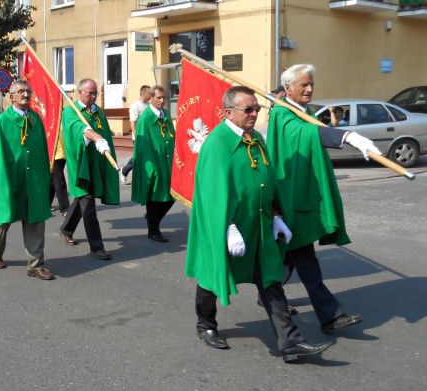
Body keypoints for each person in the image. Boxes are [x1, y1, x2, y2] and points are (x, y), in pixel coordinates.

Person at [185, 86, 331, 361]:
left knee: (271, 279)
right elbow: (212, 192)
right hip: (230, 228)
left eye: (256, 109)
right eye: (248, 110)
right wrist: (226, 228)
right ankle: (205, 324)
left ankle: (290, 342)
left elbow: (268, 180)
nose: (254, 114)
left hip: (260, 226)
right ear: (228, 112)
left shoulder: (255, 139)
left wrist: (276, 215)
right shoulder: (217, 145)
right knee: (212, 277)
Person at [267, 64, 380, 333]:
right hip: (289, 195)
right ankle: (330, 315)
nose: (309, 88)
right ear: (288, 88)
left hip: (302, 192)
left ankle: (269, 293)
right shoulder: (283, 114)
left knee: (290, 255)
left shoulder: (302, 110)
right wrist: (346, 136)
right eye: (303, 84)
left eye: (311, 84)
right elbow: (303, 134)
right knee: (303, 256)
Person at [0, 79, 54, 280]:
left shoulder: (35, 119)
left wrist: (44, 176)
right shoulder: (3, 121)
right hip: (10, 178)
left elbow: (42, 149)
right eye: (21, 91)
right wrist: (1, 183)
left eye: (28, 91)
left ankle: (36, 264)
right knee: (2, 219)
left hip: (32, 179)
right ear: (12, 97)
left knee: (35, 219)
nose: (26, 94)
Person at [59, 78, 118, 260]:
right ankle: (96, 247)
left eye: (95, 93)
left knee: (82, 199)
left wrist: (106, 149)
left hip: (96, 162)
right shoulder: (70, 112)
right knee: (88, 203)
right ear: (80, 92)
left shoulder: (98, 112)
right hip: (81, 165)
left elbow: (105, 133)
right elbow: (78, 129)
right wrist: (95, 137)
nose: (93, 96)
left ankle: (66, 228)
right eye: (89, 93)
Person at [131, 85, 175, 242]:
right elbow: (142, 145)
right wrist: (152, 168)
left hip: (168, 161)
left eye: (164, 98)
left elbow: (172, 136)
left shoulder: (166, 114)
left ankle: (151, 218)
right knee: (155, 195)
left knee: (172, 195)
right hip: (155, 163)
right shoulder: (146, 118)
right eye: (158, 98)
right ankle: (153, 230)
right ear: (151, 98)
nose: (162, 101)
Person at [121, 85, 151, 183]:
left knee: (146, 156)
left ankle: (145, 176)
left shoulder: (149, 105)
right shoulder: (135, 106)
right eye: (149, 93)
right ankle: (124, 171)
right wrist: (136, 136)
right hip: (139, 136)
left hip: (149, 136)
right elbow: (132, 122)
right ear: (144, 93)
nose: (151, 95)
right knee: (138, 156)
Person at [48, 131, 70, 216]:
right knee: (59, 179)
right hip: (55, 151)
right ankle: (65, 208)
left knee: (53, 179)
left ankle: (46, 205)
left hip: (62, 149)